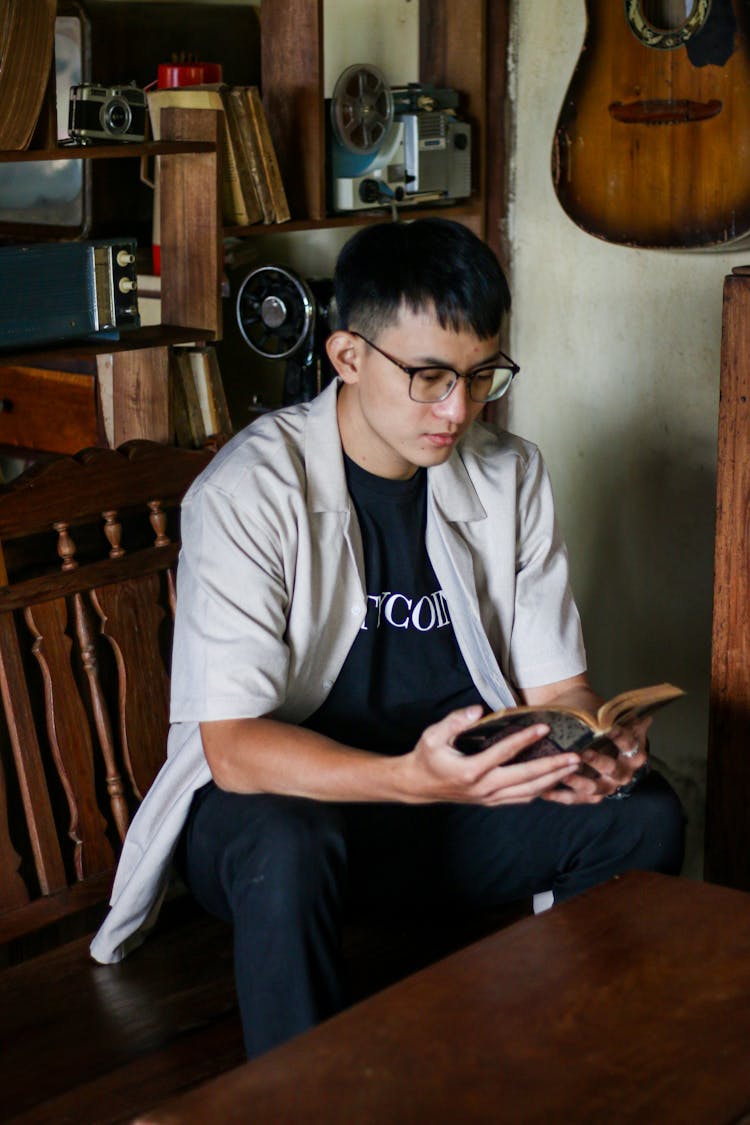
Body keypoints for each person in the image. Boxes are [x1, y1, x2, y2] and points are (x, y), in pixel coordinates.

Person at [91, 217, 685, 1057]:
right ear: (348, 357)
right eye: (431, 376)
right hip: (295, 814)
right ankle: (302, 1102)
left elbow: (557, 689)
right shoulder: (249, 491)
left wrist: (591, 740)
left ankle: (563, 1062)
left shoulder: (509, 473)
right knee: (287, 842)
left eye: (482, 377)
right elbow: (233, 750)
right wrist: (409, 779)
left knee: (644, 816)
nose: (459, 409)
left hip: (448, 801)